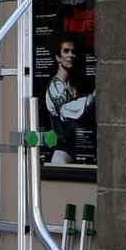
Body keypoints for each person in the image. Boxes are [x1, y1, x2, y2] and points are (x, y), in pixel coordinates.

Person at [42, 36, 94, 164]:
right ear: (58, 57)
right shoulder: (55, 87)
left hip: (76, 151)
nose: (71, 55)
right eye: (66, 51)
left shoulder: (73, 87)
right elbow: (70, 111)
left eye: (73, 51)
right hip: (61, 153)